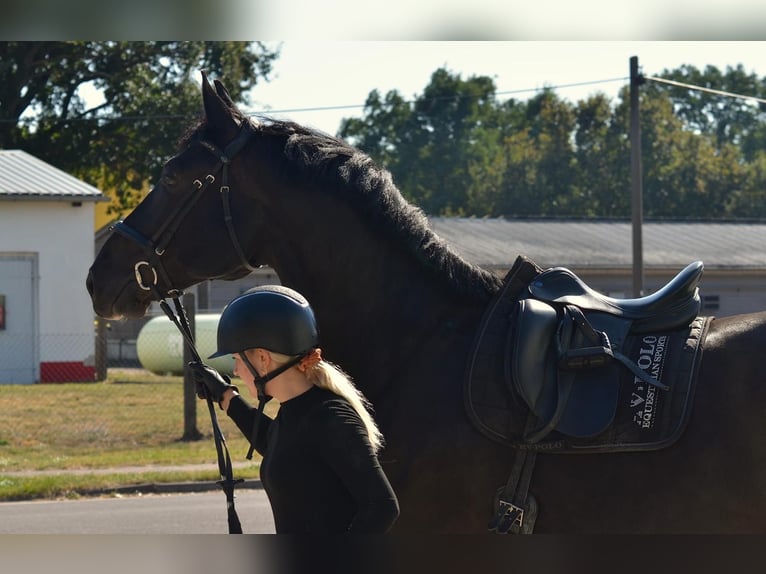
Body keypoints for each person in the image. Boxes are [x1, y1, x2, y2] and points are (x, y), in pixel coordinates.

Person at [189, 285, 399, 534]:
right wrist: (225, 395)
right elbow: (282, 450)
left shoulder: (331, 418)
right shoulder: (294, 412)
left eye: (237, 359)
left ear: (263, 359)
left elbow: (382, 506)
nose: (235, 371)